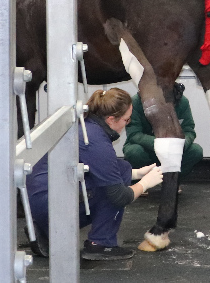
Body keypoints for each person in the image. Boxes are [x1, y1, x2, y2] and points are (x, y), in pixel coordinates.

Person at [26, 88, 163, 261]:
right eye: (126, 120)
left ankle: (46, 230)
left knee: (121, 168)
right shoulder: (95, 141)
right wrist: (145, 183)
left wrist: (136, 173)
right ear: (111, 119)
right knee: (113, 188)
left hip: (41, 198)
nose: (127, 124)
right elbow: (119, 196)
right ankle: (100, 244)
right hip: (50, 205)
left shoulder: (87, 125)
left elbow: (103, 167)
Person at [123, 83, 203, 189]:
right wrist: (160, 143)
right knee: (134, 152)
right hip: (146, 148)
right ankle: (140, 182)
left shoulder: (182, 101)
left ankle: (171, 180)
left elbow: (189, 130)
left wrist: (182, 143)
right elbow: (134, 134)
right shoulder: (136, 102)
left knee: (196, 151)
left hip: (173, 149)